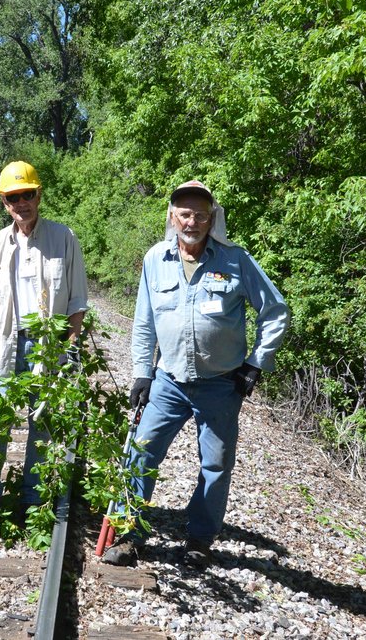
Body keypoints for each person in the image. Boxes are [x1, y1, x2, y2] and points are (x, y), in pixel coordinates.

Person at [102, 179, 289, 568]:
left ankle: (199, 541)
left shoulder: (236, 260)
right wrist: (142, 373)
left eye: (201, 215)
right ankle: (130, 535)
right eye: (185, 214)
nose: (192, 222)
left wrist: (257, 362)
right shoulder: (155, 259)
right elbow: (144, 322)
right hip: (168, 380)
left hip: (221, 384)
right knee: (141, 453)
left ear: (212, 218)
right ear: (172, 216)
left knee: (216, 464)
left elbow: (275, 310)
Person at [0, 160, 88, 531]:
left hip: (48, 345)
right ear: (4, 202)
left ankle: (34, 503)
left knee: (44, 425)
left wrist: (68, 347)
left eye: (28, 195)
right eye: (13, 197)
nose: (21, 203)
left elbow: (77, 303)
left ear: (39, 195)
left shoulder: (64, 238)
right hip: (7, 342)